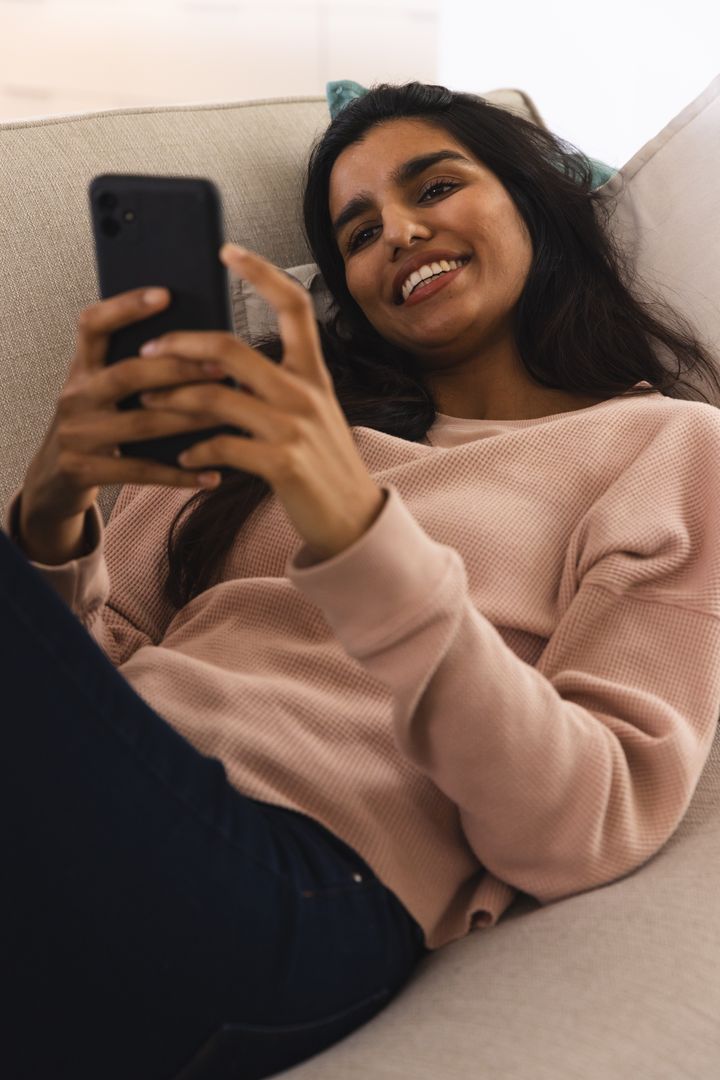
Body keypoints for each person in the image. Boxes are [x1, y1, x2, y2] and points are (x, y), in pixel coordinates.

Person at [4, 81, 720, 1080]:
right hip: (92, 835)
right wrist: (48, 518)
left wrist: (357, 529)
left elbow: (585, 824)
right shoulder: (265, 425)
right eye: (359, 229)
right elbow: (96, 669)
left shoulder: (665, 445)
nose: (399, 231)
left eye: (434, 186)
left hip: (292, 897)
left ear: (530, 198)